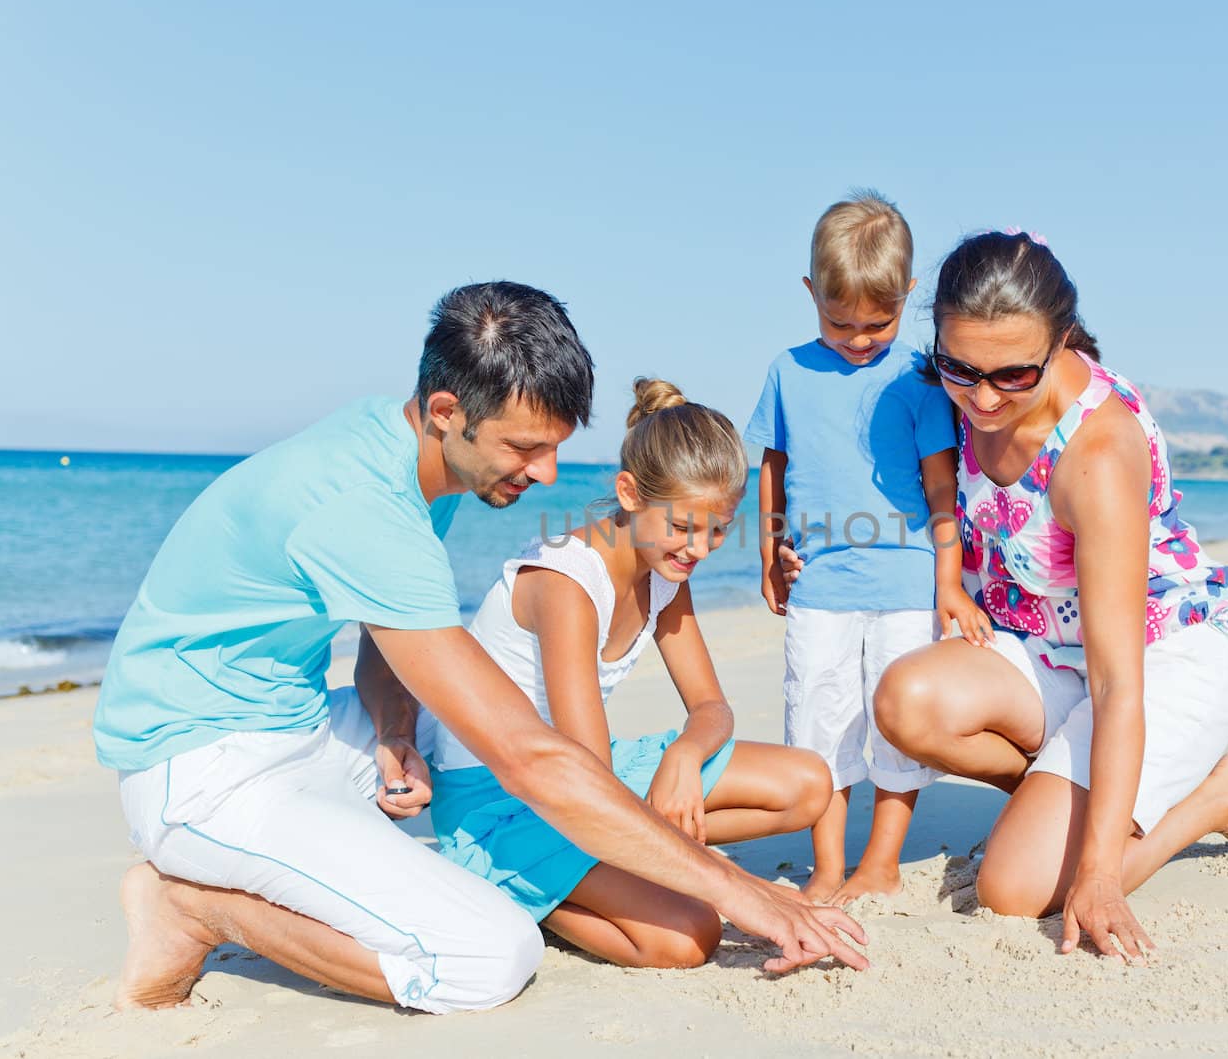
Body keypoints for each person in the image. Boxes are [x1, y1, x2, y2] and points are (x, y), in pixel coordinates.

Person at [93, 281, 867, 1016]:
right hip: (199, 768)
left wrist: (395, 728)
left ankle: (472, 847)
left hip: (306, 722)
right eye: (526, 446)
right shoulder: (366, 506)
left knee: (462, 752)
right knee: (489, 959)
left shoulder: (400, 455)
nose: (547, 471)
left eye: (556, 445)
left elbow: (379, 632)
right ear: (445, 410)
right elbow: (536, 756)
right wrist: (743, 893)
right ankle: (193, 905)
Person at [860, 230, 1228, 961]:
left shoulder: (1095, 452)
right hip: (1046, 651)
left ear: (1061, 341)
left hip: (1161, 657)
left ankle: (1222, 795)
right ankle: (1061, 799)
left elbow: (1118, 679)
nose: (985, 397)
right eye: (961, 368)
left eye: (1014, 375)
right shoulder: (955, 389)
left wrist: (1098, 876)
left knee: (1010, 888)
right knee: (905, 701)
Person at [430, 378, 832, 968]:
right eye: (684, 527)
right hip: (501, 801)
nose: (699, 549)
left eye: (717, 530)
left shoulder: (664, 569)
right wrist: (730, 883)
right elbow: (585, 773)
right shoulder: (567, 583)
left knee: (808, 783)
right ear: (629, 493)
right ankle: (513, 883)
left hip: (583, 773)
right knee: (687, 937)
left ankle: (606, 871)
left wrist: (685, 756)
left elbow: (713, 708)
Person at [745, 192, 993, 905]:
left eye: (877, 323)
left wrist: (950, 584)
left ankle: (880, 859)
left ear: (908, 296)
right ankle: (827, 865)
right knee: (817, 723)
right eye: (839, 321)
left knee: (894, 726)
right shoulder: (788, 372)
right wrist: (769, 551)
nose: (858, 338)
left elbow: (941, 490)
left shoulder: (918, 377)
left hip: (907, 583)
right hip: (821, 585)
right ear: (809, 293)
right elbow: (774, 467)